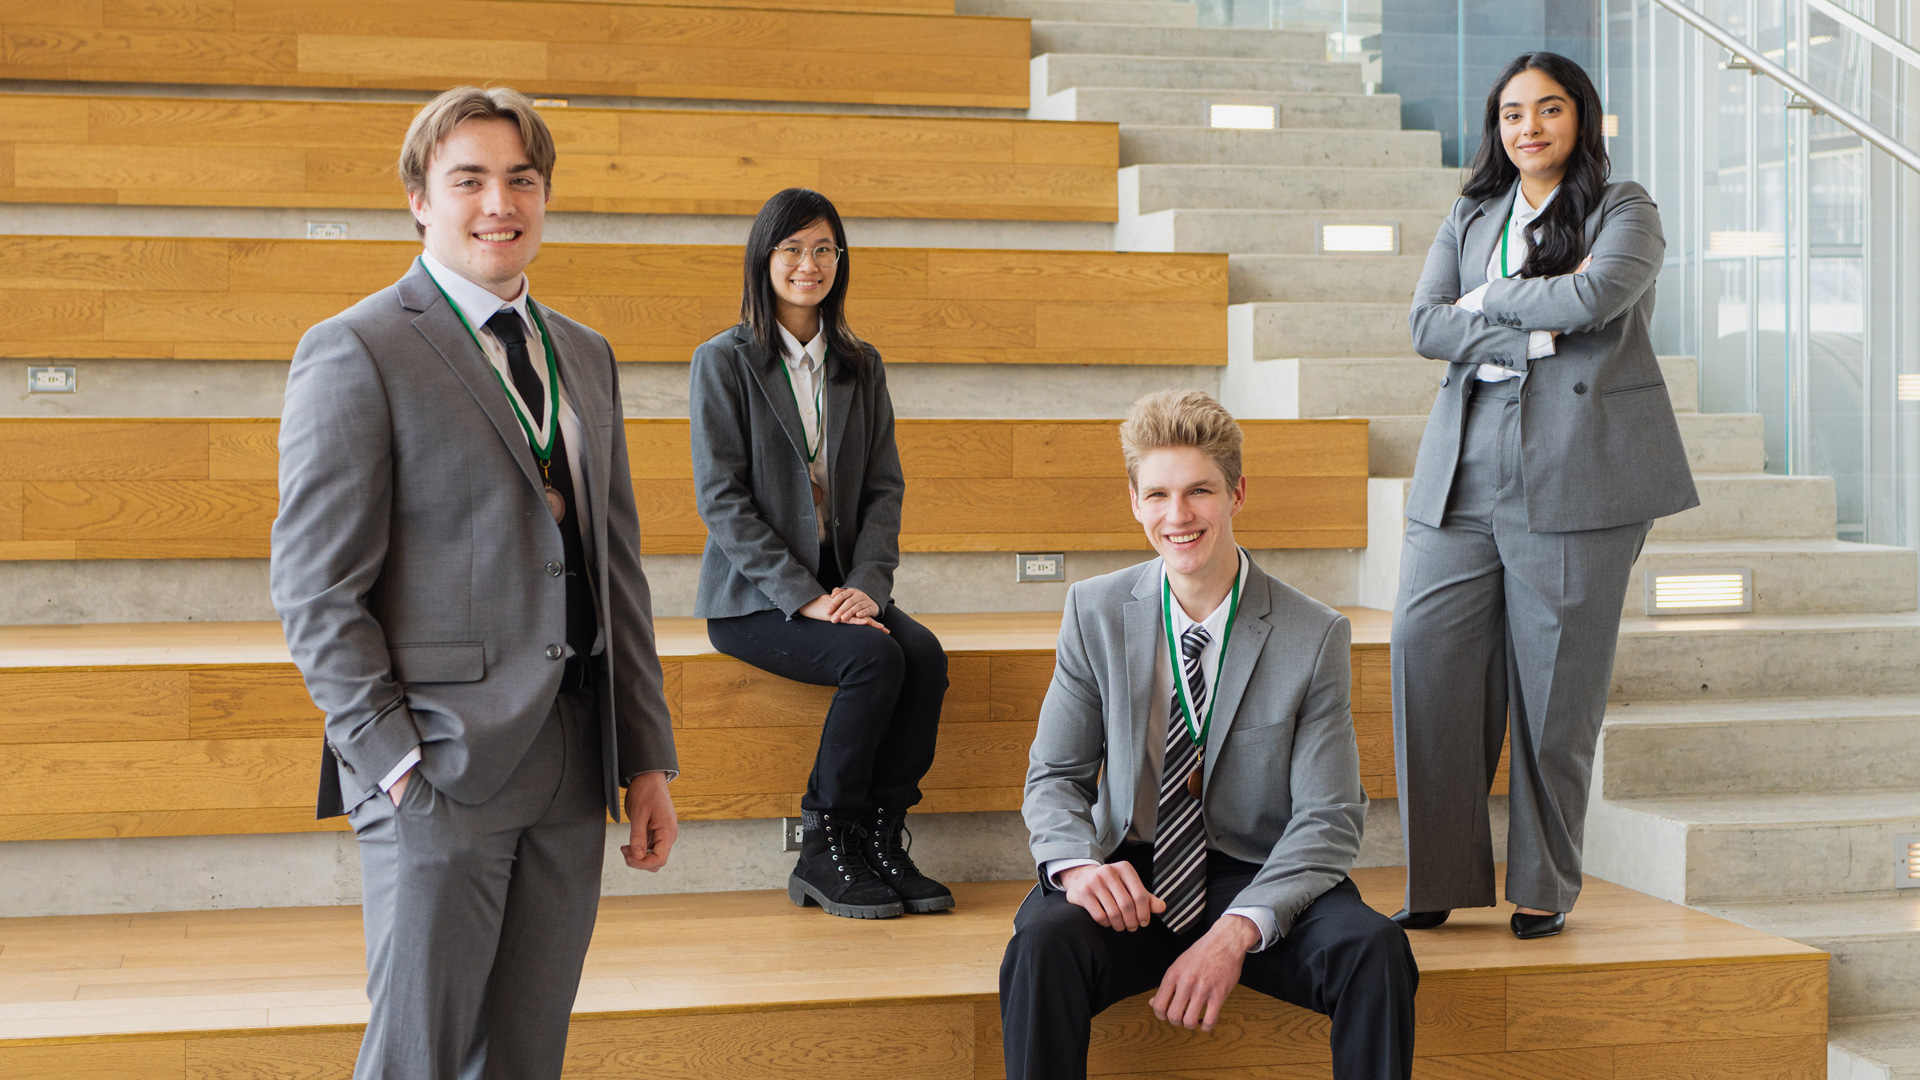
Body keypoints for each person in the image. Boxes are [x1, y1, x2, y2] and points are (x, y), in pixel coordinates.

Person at [270, 86, 680, 1079]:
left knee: (526, 1056)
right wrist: (396, 764)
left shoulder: (584, 353)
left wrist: (645, 755)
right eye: (470, 180)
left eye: (521, 180)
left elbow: (614, 569)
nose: (500, 201)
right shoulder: (358, 348)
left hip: (574, 757)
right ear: (420, 198)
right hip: (439, 766)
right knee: (419, 1057)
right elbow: (316, 589)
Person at [1000, 390, 1417, 1080]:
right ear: (1134, 500)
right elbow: (1055, 779)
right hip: (1130, 877)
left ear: (1237, 493)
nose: (1178, 515)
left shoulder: (1314, 634)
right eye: (1158, 494)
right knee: (1042, 944)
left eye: (1199, 491)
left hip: (1257, 875)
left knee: (1375, 950)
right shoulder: (1094, 611)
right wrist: (1079, 868)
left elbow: (1330, 817)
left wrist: (1236, 931)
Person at [1394, 53, 1697, 940]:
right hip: (1462, 463)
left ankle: (1542, 886)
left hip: (1580, 469)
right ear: (1497, 126)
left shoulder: (1625, 207)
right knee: (1425, 660)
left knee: (1557, 692)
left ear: (1581, 117)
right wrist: (1534, 327)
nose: (1529, 127)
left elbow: (1601, 293)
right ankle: (1437, 876)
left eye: (1549, 109)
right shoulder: (1470, 211)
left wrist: (1486, 305)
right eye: (1513, 112)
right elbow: (1423, 324)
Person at [689, 188, 952, 920]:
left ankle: (879, 835)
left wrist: (868, 585)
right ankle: (824, 843)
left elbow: (883, 490)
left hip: (847, 592)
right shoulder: (724, 362)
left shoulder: (859, 366)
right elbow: (722, 500)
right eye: (793, 249)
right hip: (756, 599)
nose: (810, 264)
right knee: (874, 660)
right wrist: (807, 596)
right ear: (764, 259)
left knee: (923, 656)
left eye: (824, 249)